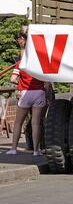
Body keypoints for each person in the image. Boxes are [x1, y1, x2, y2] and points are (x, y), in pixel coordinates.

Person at [6, 26, 46, 156]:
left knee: (18, 122)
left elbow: (12, 79)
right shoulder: (40, 62)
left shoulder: (21, 63)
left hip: (25, 92)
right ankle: (36, 150)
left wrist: (20, 82)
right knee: (36, 123)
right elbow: (46, 79)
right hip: (39, 92)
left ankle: (13, 148)